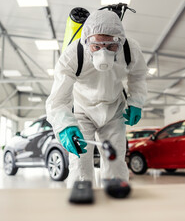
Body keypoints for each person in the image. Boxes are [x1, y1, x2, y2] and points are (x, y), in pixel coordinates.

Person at [46, 10, 147, 187]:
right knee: (80, 164)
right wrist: (65, 126)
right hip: (82, 111)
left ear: (120, 40)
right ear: (87, 41)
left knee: (115, 161)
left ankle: (115, 204)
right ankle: (83, 207)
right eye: (96, 46)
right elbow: (57, 100)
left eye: (111, 46)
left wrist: (136, 101)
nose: (104, 53)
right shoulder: (72, 55)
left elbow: (138, 75)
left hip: (115, 110)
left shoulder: (130, 49)